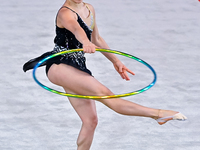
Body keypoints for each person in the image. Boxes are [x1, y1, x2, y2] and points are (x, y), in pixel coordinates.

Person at [23, 0, 187, 149]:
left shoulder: (89, 8)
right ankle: (158, 114)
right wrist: (85, 42)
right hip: (59, 65)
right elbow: (76, 28)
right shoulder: (65, 12)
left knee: (90, 121)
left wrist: (115, 61)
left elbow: (97, 38)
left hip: (77, 66)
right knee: (108, 96)